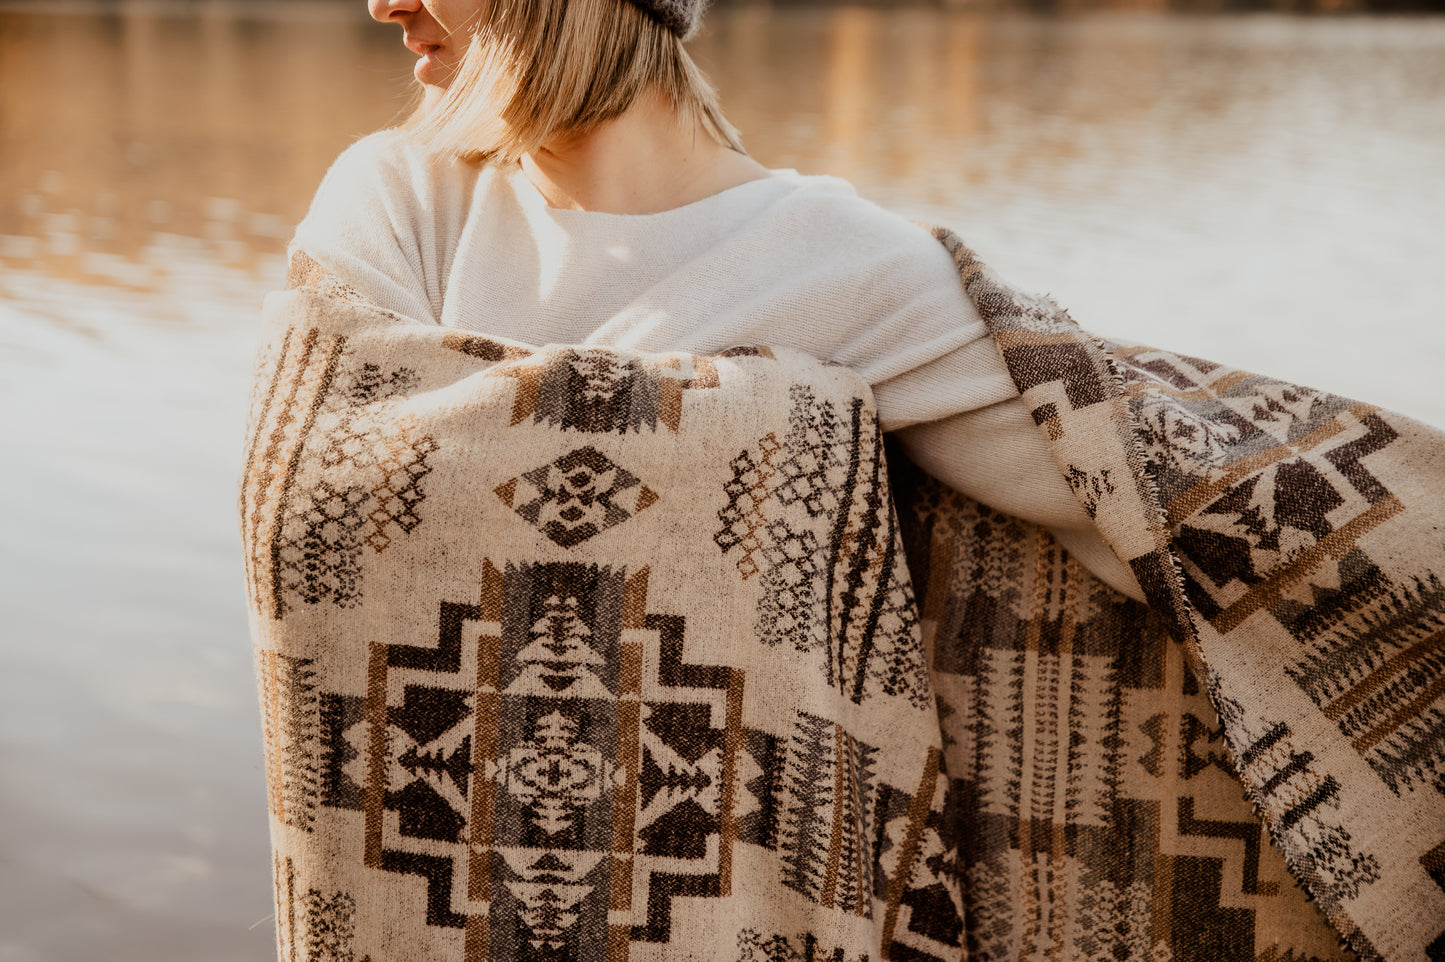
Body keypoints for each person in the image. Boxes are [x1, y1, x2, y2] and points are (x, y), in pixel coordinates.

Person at [291, 0, 1146, 601]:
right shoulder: (399, 204)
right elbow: (312, 494)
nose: (384, 5)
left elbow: (1153, 516)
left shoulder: (857, 270)